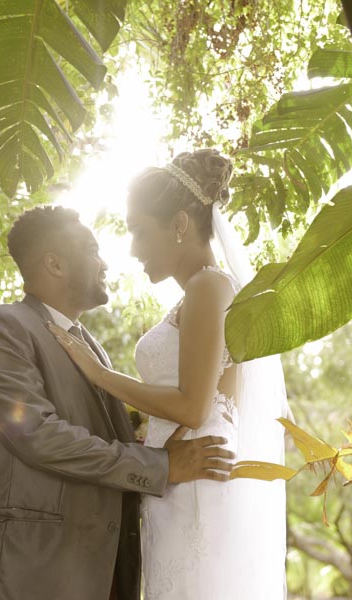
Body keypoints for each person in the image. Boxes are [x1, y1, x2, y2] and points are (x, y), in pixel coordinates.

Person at [0, 206, 237, 600]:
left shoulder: (93, 351)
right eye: (92, 250)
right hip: (15, 575)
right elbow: (38, 434)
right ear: (54, 264)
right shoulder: (2, 328)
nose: (105, 263)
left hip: (90, 576)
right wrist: (160, 464)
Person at [50, 150, 291, 599]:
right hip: (181, 478)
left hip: (199, 486)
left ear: (179, 224)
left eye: (139, 231)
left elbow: (194, 408)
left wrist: (99, 374)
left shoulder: (209, 287)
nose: (133, 249)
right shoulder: (198, 294)